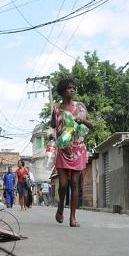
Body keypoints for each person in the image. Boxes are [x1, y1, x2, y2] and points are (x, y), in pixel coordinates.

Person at [51, 77, 93, 227]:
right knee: (63, 184)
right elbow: (53, 125)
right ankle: (61, 205)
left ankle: (73, 217)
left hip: (78, 150)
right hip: (63, 150)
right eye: (69, 88)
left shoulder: (80, 107)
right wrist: (54, 134)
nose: (72, 90)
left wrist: (83, 121)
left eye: (74, 88)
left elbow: (91, 124)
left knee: (75, 183)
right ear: (62, 91)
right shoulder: (57, 108)